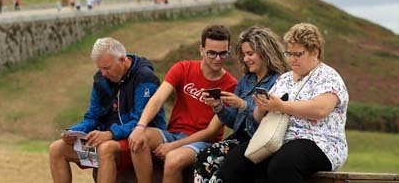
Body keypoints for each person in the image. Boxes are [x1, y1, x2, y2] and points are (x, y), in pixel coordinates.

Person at [219, 23, 349, 183]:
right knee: (234, 163)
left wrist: (281, 106)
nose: (292, 59)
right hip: (279, 139)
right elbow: (260, 118)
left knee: (282, 165)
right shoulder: (285, 78)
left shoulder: (328, 76)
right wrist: (261, 107)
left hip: (320, 142)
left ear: (315, 52)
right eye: (289, 53)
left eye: (298, 54)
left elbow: (320, 109)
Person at [129, 25, 238, 183]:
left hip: (203, 142)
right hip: (173, 133)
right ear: (201, 49)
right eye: (212, 53)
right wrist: (140, 126)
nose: (218, 58)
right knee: (138, 138)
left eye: (223, 53)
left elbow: (211, 131)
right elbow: (158, 99)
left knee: (173, 160)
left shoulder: (231, 85)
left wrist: (173, 146)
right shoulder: (183, 68)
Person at [49, 37, 167, 183]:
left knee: (105, 149)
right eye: (100, 68)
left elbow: (141, 121)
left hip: (137, 143)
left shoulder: (144, 77)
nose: (103, 73)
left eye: (107, 68)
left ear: (123, 60)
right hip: (108, 139)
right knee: (57, 149)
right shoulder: (101, 79)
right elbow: (92, 116)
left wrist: (110, 134)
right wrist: (73, 131)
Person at [193, 26, 289, 183]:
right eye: (244, 55)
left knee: (213, 163)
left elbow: (268, 122)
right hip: (239, 138)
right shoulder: (245, 80)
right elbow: (233, 122)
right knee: (204, 157)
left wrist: (243, 105)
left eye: (250, 54)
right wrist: (218, 107)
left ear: (265, 53)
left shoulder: (279, 81)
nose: (245, 59)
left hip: (259, 140)